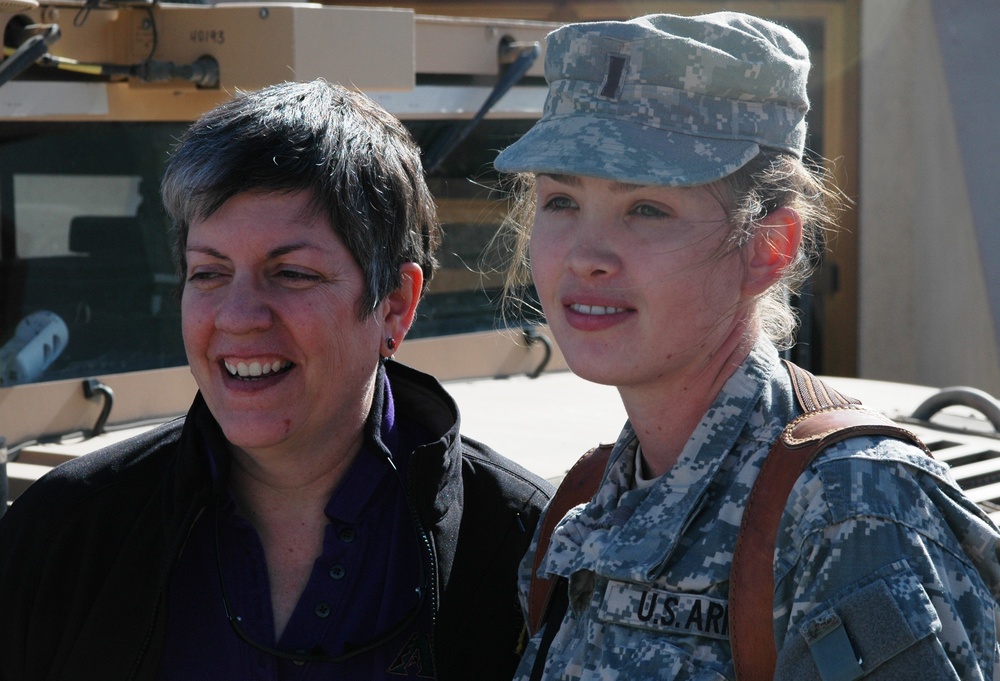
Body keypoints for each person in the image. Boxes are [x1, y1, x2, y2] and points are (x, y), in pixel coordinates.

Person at [493, 12, 1000, 680]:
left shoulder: (849, 511)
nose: (585, 256)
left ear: (767, 248)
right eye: (560, 200)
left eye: (647, 207)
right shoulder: (589, 498)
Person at [0, 79, 552, 680]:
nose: (238, 318)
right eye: (208, 273)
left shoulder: (525, 548)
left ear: (394, 303)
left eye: (291, 273)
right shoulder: (66, 537)